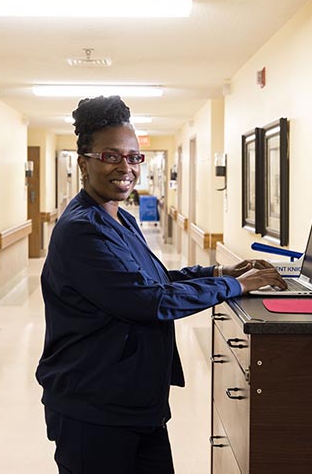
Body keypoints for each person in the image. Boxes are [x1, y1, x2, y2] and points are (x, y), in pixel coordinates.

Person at [35, 95, 287, 474]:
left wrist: (221, 274)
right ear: (84, 163)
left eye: (134, 156)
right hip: (94, 408)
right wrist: (238, 288)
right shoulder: (82, 231)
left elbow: (152, 280)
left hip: (135, 401)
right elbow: (149, 300)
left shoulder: (120, 219)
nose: (127, 167)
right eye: (111, 156)